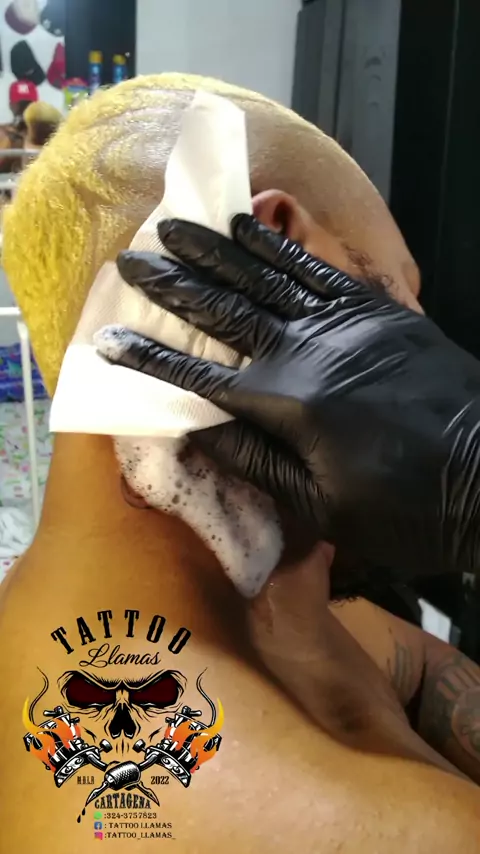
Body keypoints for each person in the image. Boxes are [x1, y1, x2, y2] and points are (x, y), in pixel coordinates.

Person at [1, 73, 480, 853]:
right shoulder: (374, 830)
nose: (427, 331)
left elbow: (420, 672)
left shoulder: (273, 607)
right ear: (278, 247)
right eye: (405, 289)